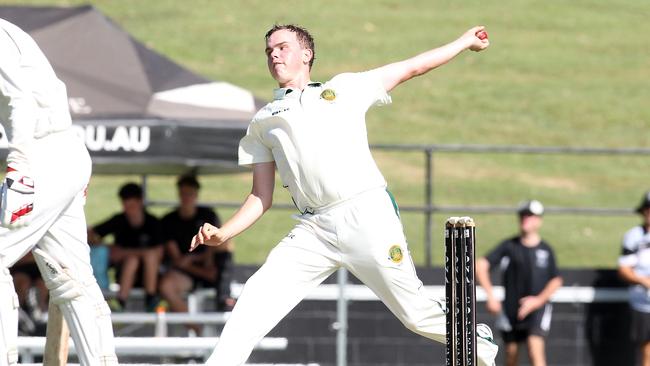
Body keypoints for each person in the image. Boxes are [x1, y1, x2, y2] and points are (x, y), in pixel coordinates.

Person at [191, 24, 498, 366]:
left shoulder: (346, 88)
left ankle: (479, 342)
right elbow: (261, 195)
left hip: (366, 214)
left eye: (282, 47)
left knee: (414, 315)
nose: (274, 54)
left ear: (306, 54)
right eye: (269, 51)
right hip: (313, 229)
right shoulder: (264, 121)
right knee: (255, 297)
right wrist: (224, 233)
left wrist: (464, 42)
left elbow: (413, 66)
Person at [0, 19, 117, 366]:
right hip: (62, 155)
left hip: (40, 157)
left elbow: (19, 98)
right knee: (72, 278)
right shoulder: (10, 31)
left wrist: (19, 166)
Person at [476, 200, 563, 366]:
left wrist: (537, 301)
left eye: (530, 216)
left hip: (537, 310)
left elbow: (556, 280)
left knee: (534, 349)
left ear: (539, 220)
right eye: (523, 215)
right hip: (511, 310)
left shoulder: (546, 250)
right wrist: (490, 296)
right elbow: (481, 265)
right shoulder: (509, 246)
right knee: (511, 354)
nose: (525, 219)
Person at [159, 174, 235, 324]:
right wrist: (200, 268)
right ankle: (196, 328)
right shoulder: (169, 221)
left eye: (190, 194)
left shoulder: (208, 215)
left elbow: (218, 241)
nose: (186, 198)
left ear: (196, 195)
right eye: (183, 194)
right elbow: (178, 261)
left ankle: (224, 295)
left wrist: (199, 259)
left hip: (209, 267)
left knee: (226, 241)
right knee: (166, 286)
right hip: (185, 272)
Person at [88, 182, 164, 311]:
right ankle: (121, 301)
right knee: (132, 261)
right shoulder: (119, 220)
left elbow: (159, 252)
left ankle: (151, 297)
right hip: (125, 274)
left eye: (132, 206)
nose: (129, 210)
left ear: (140, 202)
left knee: (148, 257)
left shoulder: (153, 222)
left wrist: (125, 252)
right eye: (126, 206)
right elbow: (91, 234)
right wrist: (106, 246)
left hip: (149, 273)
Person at [618, 192, 650, 366]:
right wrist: (644, 281)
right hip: (643, 303)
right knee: (646, 351)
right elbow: (624, 269)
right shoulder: (634, 236)